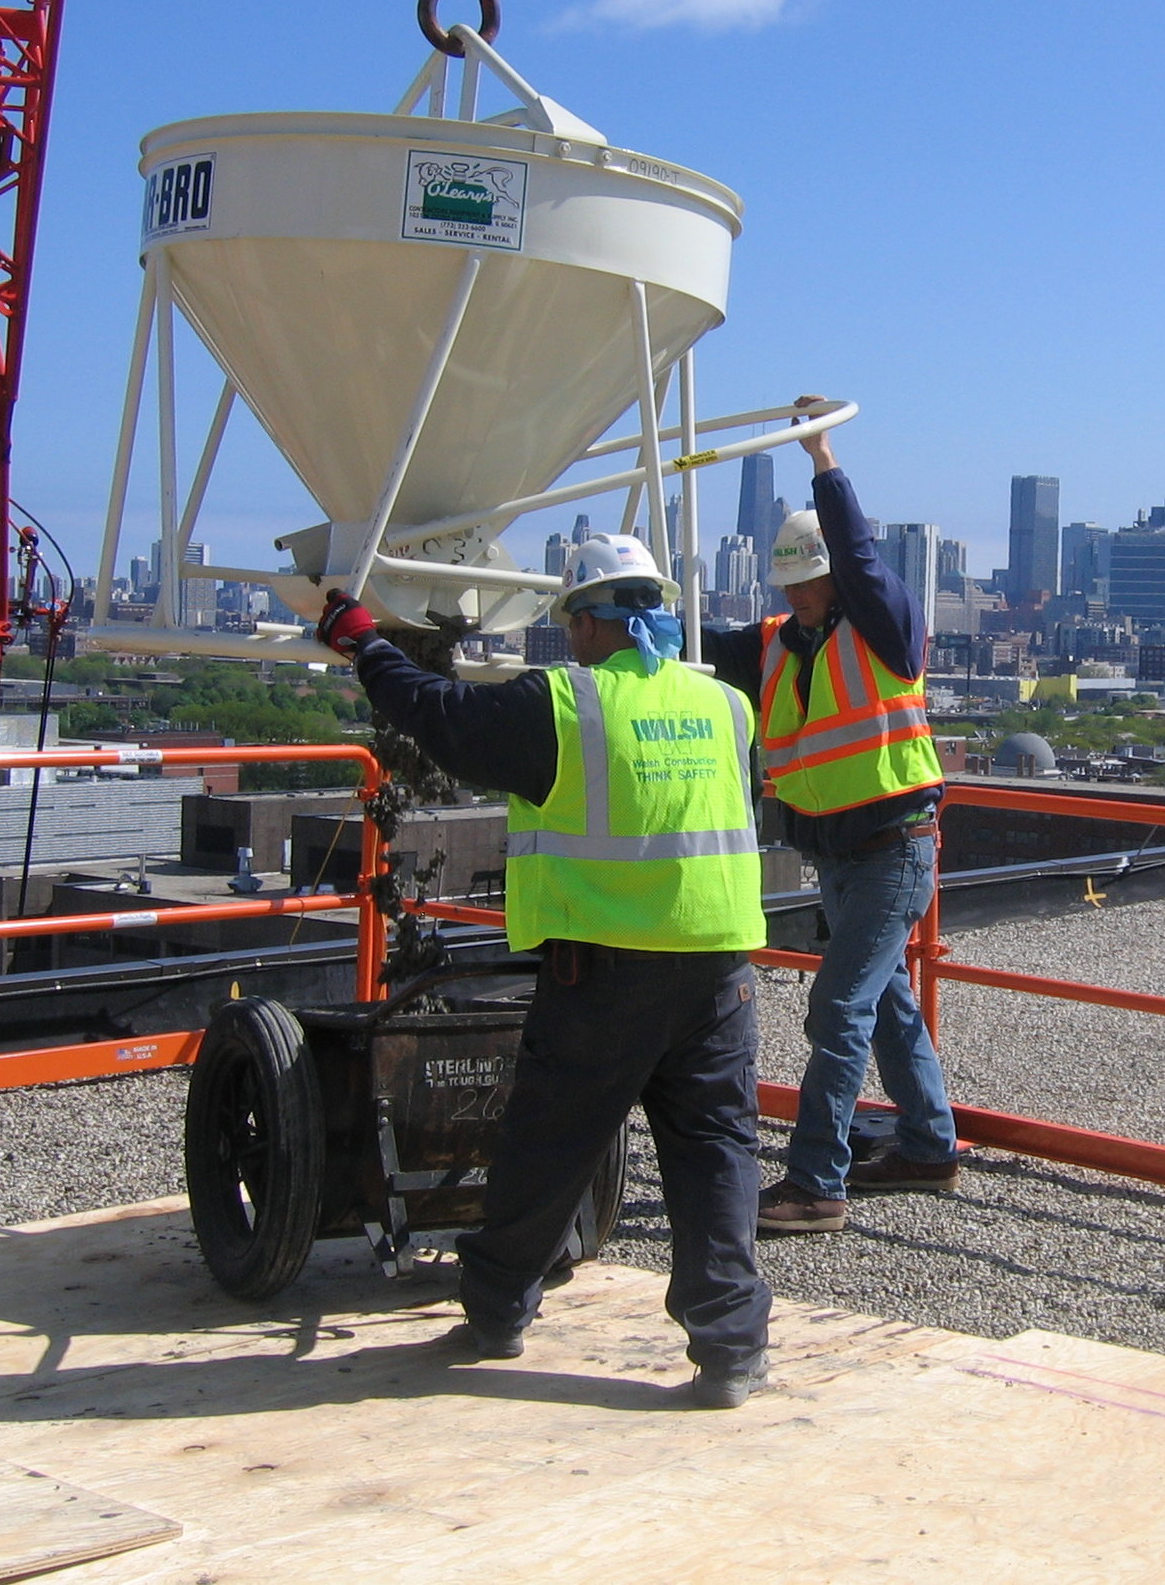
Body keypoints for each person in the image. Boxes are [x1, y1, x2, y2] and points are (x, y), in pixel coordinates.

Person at [316, 535, 773, 1408]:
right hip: (718, 970)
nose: (568, 639)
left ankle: (494, 1314)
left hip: (602, 973)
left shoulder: (565, 705)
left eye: (570, 621)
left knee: (549, 1145)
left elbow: (438, 714)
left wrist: (364, 642)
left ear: (591, 621)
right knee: (717, 1151)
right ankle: (731, 1349)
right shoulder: (725, 705)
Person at [698, 400, 959, 1234]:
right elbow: (697, 647)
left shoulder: (883, 627)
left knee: (835, 1010)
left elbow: (857, 550)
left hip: (894, 847)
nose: (800, 596)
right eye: (790, 585)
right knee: (883, 1002)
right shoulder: (779, 640)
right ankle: (926, 1143)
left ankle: (816, 1181)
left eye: (811, 582)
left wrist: (822, 455)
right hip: (841, 855)